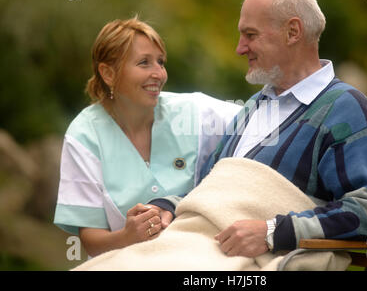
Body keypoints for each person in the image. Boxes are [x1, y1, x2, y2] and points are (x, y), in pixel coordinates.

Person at [197, 0, 367, 257]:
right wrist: (164, 208)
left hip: (250, 261)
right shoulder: (256, 105)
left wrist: (272, 232)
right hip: (203, 244)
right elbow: (209, 186)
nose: (240, 48)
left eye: (250, 35)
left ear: (292, 32)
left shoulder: (345, 109)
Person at [53, 17, 241, 257]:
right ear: (108, 73)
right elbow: (90, 240)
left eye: (160, 62)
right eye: (144, 63)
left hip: (198, 256)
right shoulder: (84, 136)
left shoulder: (195, 112)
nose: (159, 74)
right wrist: (126, 237)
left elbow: (259, 123)